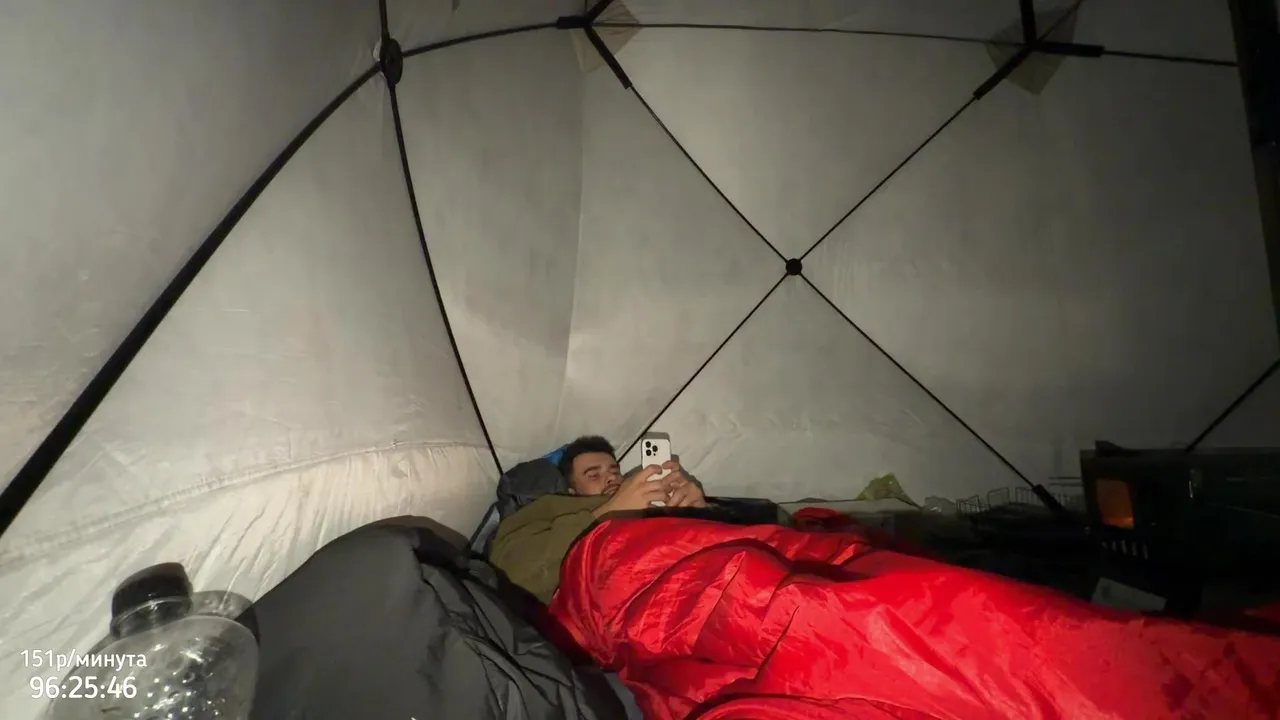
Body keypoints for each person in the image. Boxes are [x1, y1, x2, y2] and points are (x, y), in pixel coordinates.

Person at [489, 435, 707, 603]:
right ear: (572, 491)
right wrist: (608, 511)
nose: (611, 477)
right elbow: (514, 573)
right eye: (594, 475)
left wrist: (701, 511)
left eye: (615, 471)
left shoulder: (649, 500)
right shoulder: (552, 507)